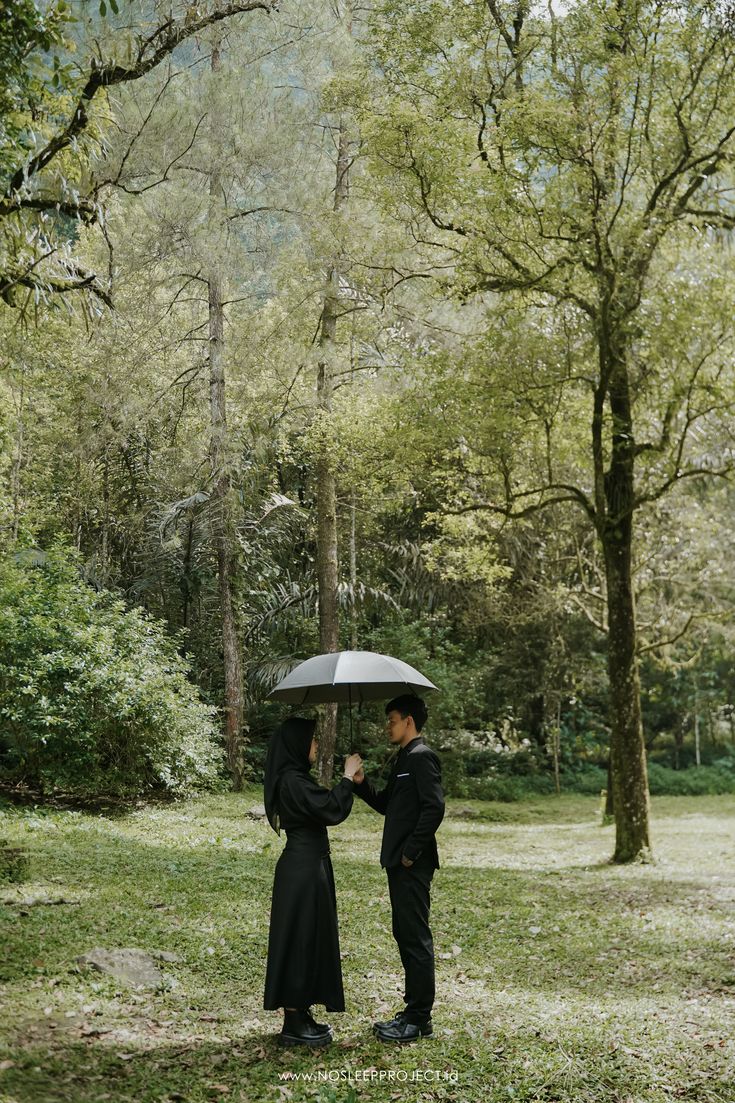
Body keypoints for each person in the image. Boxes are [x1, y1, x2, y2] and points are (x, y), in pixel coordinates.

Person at [263, 716, 362, 1047]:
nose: (317, 745)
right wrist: (347, 776)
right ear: (297, 745)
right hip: (303, 870)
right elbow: (330, 808)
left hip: (310, 867)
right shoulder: (292, 782)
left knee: (309, 938)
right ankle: (293, 1021)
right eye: (312, 740)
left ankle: (301, 1012)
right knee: (299, 940)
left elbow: (324, 805)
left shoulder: (295, 780)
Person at [352, 694, 445, 1043]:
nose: (387, 726)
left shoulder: (422, 757)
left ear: (409, 721)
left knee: (415, 937)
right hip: (398, 862)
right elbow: (388, 805)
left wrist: (410, 851)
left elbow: (434, 808)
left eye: (391, 720)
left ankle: (419, 1018)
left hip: (412, 864)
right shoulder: (403, 758)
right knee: (404, 934)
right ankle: (412, 1012)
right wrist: (361, 784)